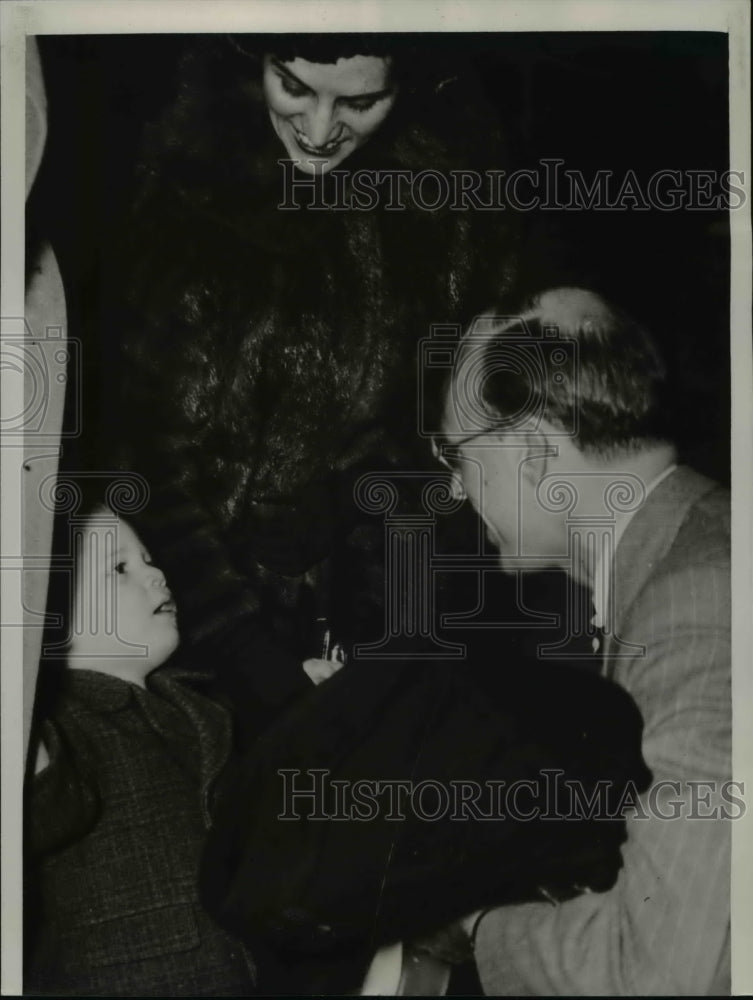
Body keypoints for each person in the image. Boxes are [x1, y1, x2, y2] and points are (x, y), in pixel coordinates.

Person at [97, 34, 518, 730]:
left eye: (359, 101)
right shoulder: (179, 203)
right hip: (191, 654)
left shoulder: (443, 217)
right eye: (293, 88)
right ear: (249, 65)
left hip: (383, 632)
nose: (321, 132)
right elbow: (143, 467)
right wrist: (256, 663)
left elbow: (438, 449)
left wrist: (388, 624)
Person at [436, 287, 731, 994]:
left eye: (458, 455)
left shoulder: (694, 605)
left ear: (532, 451)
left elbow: (657, 973)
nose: (453, 491)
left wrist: (474, 927)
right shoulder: (690, 554)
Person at [24, 499, 340, 996]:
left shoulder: (204, 708)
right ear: (45, 613)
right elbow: (43, 805)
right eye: (120, 568)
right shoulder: (58, 725)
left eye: (149, 558)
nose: (155, 574)